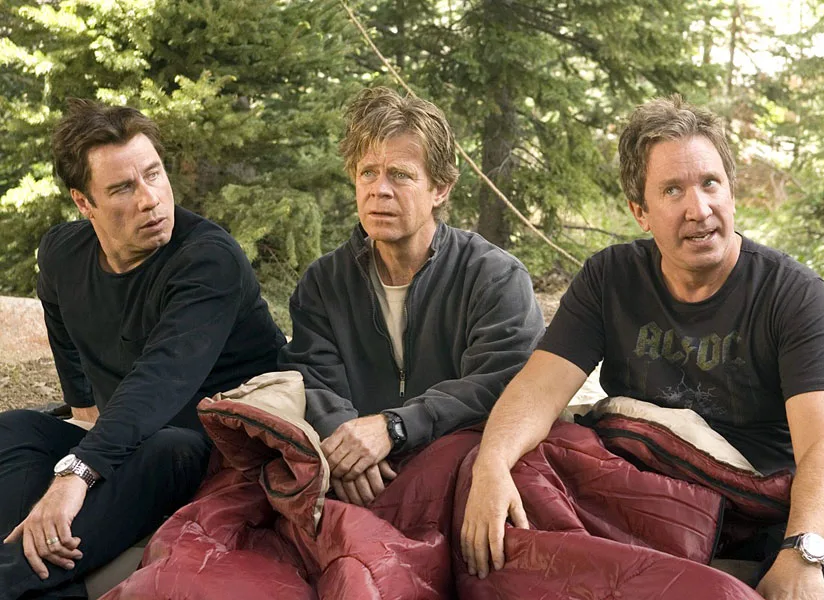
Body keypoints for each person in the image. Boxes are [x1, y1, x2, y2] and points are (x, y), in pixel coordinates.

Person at [460, 95, 824, 600]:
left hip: (760, 500)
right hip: (653, 501)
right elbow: (538, 390)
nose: (699, 208)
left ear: (731, 191)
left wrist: (803, 552)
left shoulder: (793, 294)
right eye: (673, 190)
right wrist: (491, 465)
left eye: (710, 183)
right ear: (640, 212)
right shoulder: (610, 278)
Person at [0, 99, 286, 600]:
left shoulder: (208, 259)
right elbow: (60, 320)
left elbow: (160, 378)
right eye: (122, 188)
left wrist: (76, 473)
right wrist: (84, 410)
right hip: (126, 441)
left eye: (154, 174)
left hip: (210, 449)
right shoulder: (63, 253)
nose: (150, 199)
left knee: (170, 446)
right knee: (15, 428)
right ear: (83, 202)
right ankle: (36, 568)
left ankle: (15, 577)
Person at [278, 87, 544, 507]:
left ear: (441, 188)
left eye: (400, 175)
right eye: (368, 173)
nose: (379, 190)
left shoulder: (494, 276)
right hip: (357, 480)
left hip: (460, 472)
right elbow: (313, 379)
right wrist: (348, 447)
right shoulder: (325, 282)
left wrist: (394, 427)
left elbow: (501, 382)